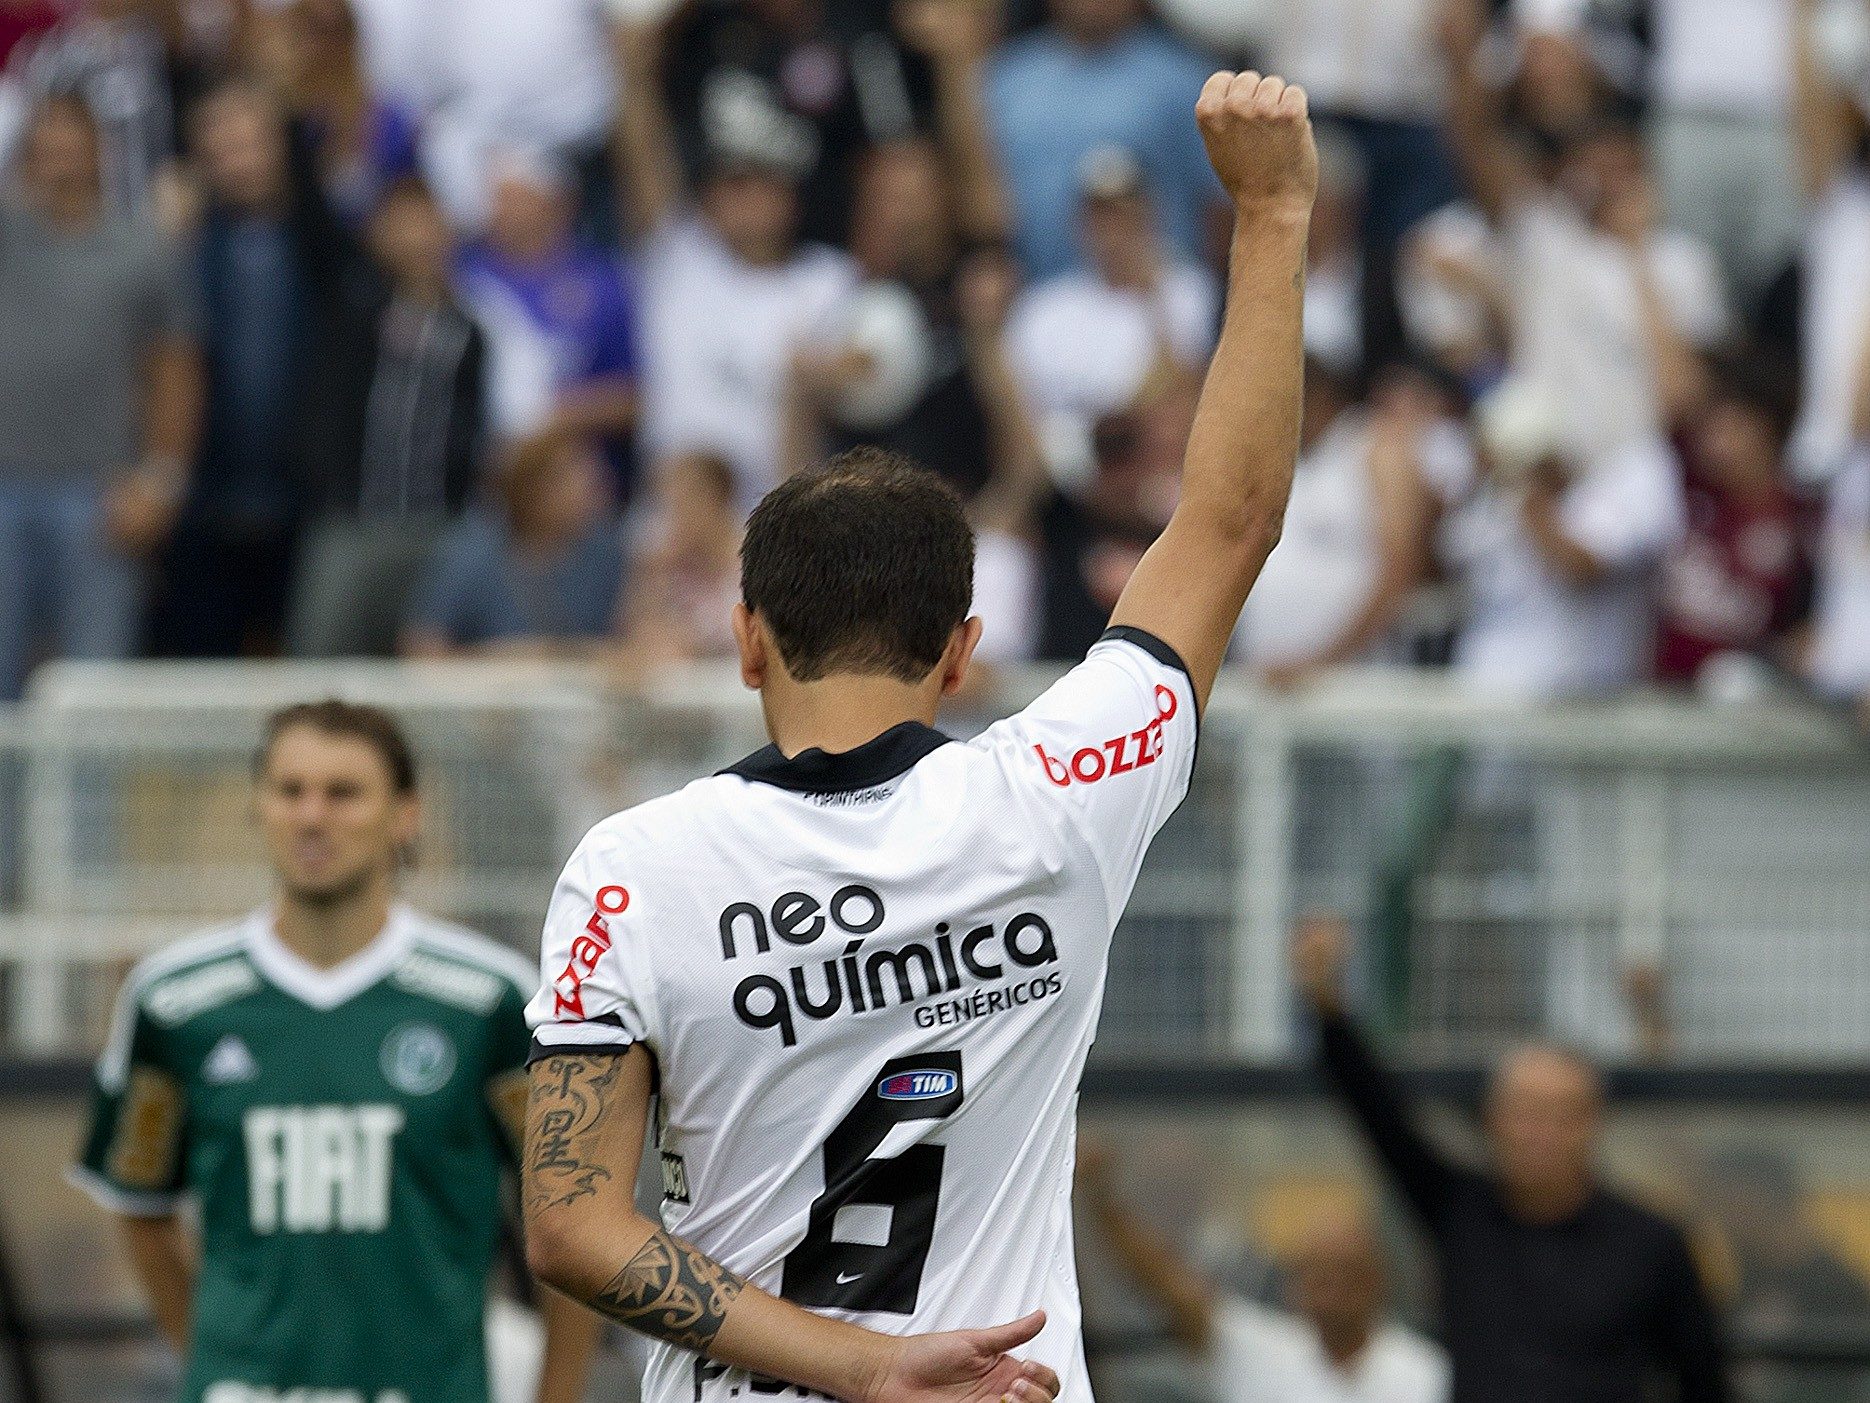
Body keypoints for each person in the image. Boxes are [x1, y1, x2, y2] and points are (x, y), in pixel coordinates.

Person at [518, 70, 1317, 1403]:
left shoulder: (632, 867)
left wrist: (862, 1365)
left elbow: (571, 1223)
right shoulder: (1057, 792)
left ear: (746, 635)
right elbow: (1227, 519)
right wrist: (1274, 213)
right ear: (960, 647)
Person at [69, 699, 601, 1403]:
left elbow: (576, 1218)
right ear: (259, 806)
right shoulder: (172, 1000)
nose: (312, 815)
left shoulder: (492, 1001)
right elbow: (141, 1208)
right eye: (289, 790)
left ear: (406, 812)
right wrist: (214, 1362)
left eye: (343, 792)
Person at [1290, 913, 1731, 1403]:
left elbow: (1705, 1381)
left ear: (1592, 1125)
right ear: (1492, 1122)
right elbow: (1378, 1114)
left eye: (1558, 1115)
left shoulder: (1651, 1244)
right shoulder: (1461, 1211)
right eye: (1522, 1112)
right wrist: (1326, 999)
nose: (1537, 1134)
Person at [617, 7, 857, 514]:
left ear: (790, 193)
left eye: (757, 181)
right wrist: (636, 71)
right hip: (669, 523)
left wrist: (827, 377)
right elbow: (642, 162)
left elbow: (866, 372)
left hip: (775, 527)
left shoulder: (829, 280)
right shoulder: (679, 259)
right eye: (727, 182)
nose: (740, 197)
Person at [0, 93, 201, 701]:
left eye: (72, 142)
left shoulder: (143, 247)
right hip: (4, 489)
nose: (59, 157)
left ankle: (81, 805)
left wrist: (161, 480)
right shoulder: (6, 236)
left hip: (101, 497)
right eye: (46, 143)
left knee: (93, 689)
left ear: (101, 152)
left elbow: (176, 369)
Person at [1077, 1143, 1450, 1403]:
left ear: (1376, 1281)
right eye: (1318, 1276)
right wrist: (1101, 1199)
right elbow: (1171, 1290)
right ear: (1295, 1286)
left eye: (1346, 1276)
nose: (1332, 1292)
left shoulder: (1426, 1375)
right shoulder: (1264, 1352)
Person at [288, 177, 488, 658]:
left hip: (436, 526)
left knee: (418, 658)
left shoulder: (468, 332)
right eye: (402, 222)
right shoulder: (354, 306)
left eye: (426, 220)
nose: (416, 237)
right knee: (321, 654)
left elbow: (470, 430)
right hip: (352, 521)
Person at [985, 0, 1219, 279]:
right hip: (1035, 298)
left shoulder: (1185, 80)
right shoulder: (1006, 76)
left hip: (1158, 298)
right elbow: (984, 202)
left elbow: (1218, 204)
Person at [401, 430, 623, 659]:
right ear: (533, 490)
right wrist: (505, 659)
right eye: (573, 481)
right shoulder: (472, 555)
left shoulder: (607, 553)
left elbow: (634, 640)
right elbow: (422, 646)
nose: (590, 492)